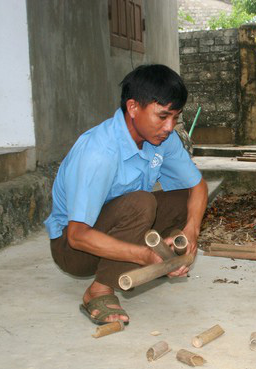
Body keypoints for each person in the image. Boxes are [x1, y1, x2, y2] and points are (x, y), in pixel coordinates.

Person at [45, 64, 208, 325]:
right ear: (133, 108)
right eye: (163, 116)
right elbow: (77, 236)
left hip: (115, 228)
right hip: (74, 250)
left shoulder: (163, 139)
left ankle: (162, 257)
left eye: (175, 118)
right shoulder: (99, 153)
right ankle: (98, 290)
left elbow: (198, 186)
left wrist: (190, 232)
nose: (169, 126)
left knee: (182, 199)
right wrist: (143, 256)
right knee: (141, 203)